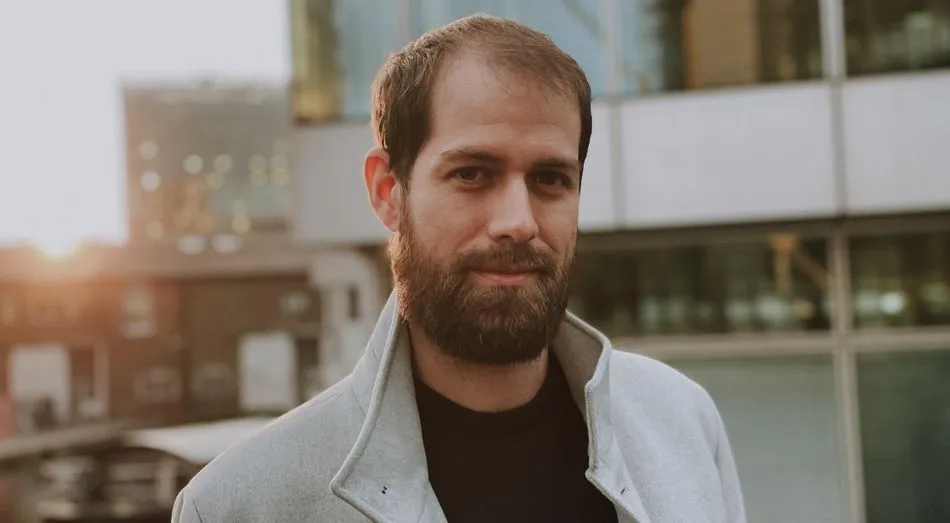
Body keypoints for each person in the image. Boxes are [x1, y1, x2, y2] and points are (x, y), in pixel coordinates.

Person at [172, 14, 746, 523]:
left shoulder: (681, 422)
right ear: (387, 192)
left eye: (550, 179)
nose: (518, 222)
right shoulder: (241, 505)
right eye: (472, 173)